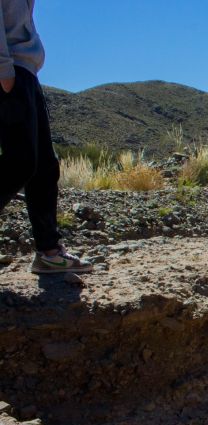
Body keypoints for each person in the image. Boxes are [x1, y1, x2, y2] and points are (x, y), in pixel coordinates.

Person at [0, 0, 92, 274]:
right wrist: (4, 69)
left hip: (24, 71)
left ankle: (49, 252)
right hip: (10, 72)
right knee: (21, 162)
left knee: (44, 166)